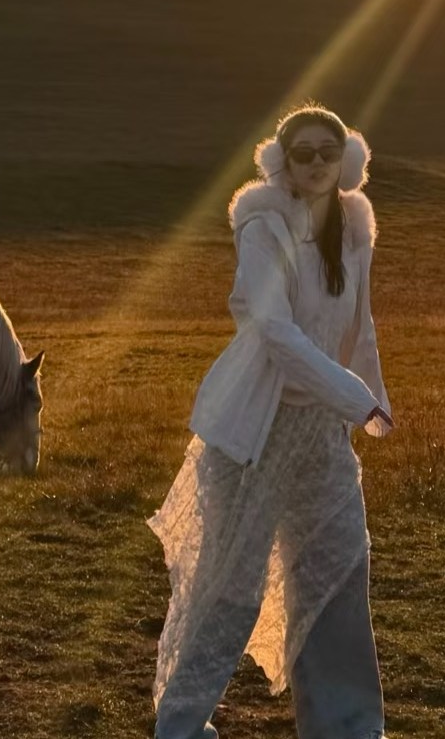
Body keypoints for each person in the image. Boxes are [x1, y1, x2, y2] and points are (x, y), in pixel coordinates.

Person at [149, 104, 393, 739]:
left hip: (322, 435)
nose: (315, 164)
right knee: (232, 587)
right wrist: (351, 395)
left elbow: (358, 325)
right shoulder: (262, 227)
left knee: (338, 570)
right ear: (281, 162)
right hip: (254, 432)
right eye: (302, 153)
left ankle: (348, 726)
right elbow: (275, 332)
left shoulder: (356, 229)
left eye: (327, 153)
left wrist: (374, 399)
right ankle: (179, 725)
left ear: (348, 162)